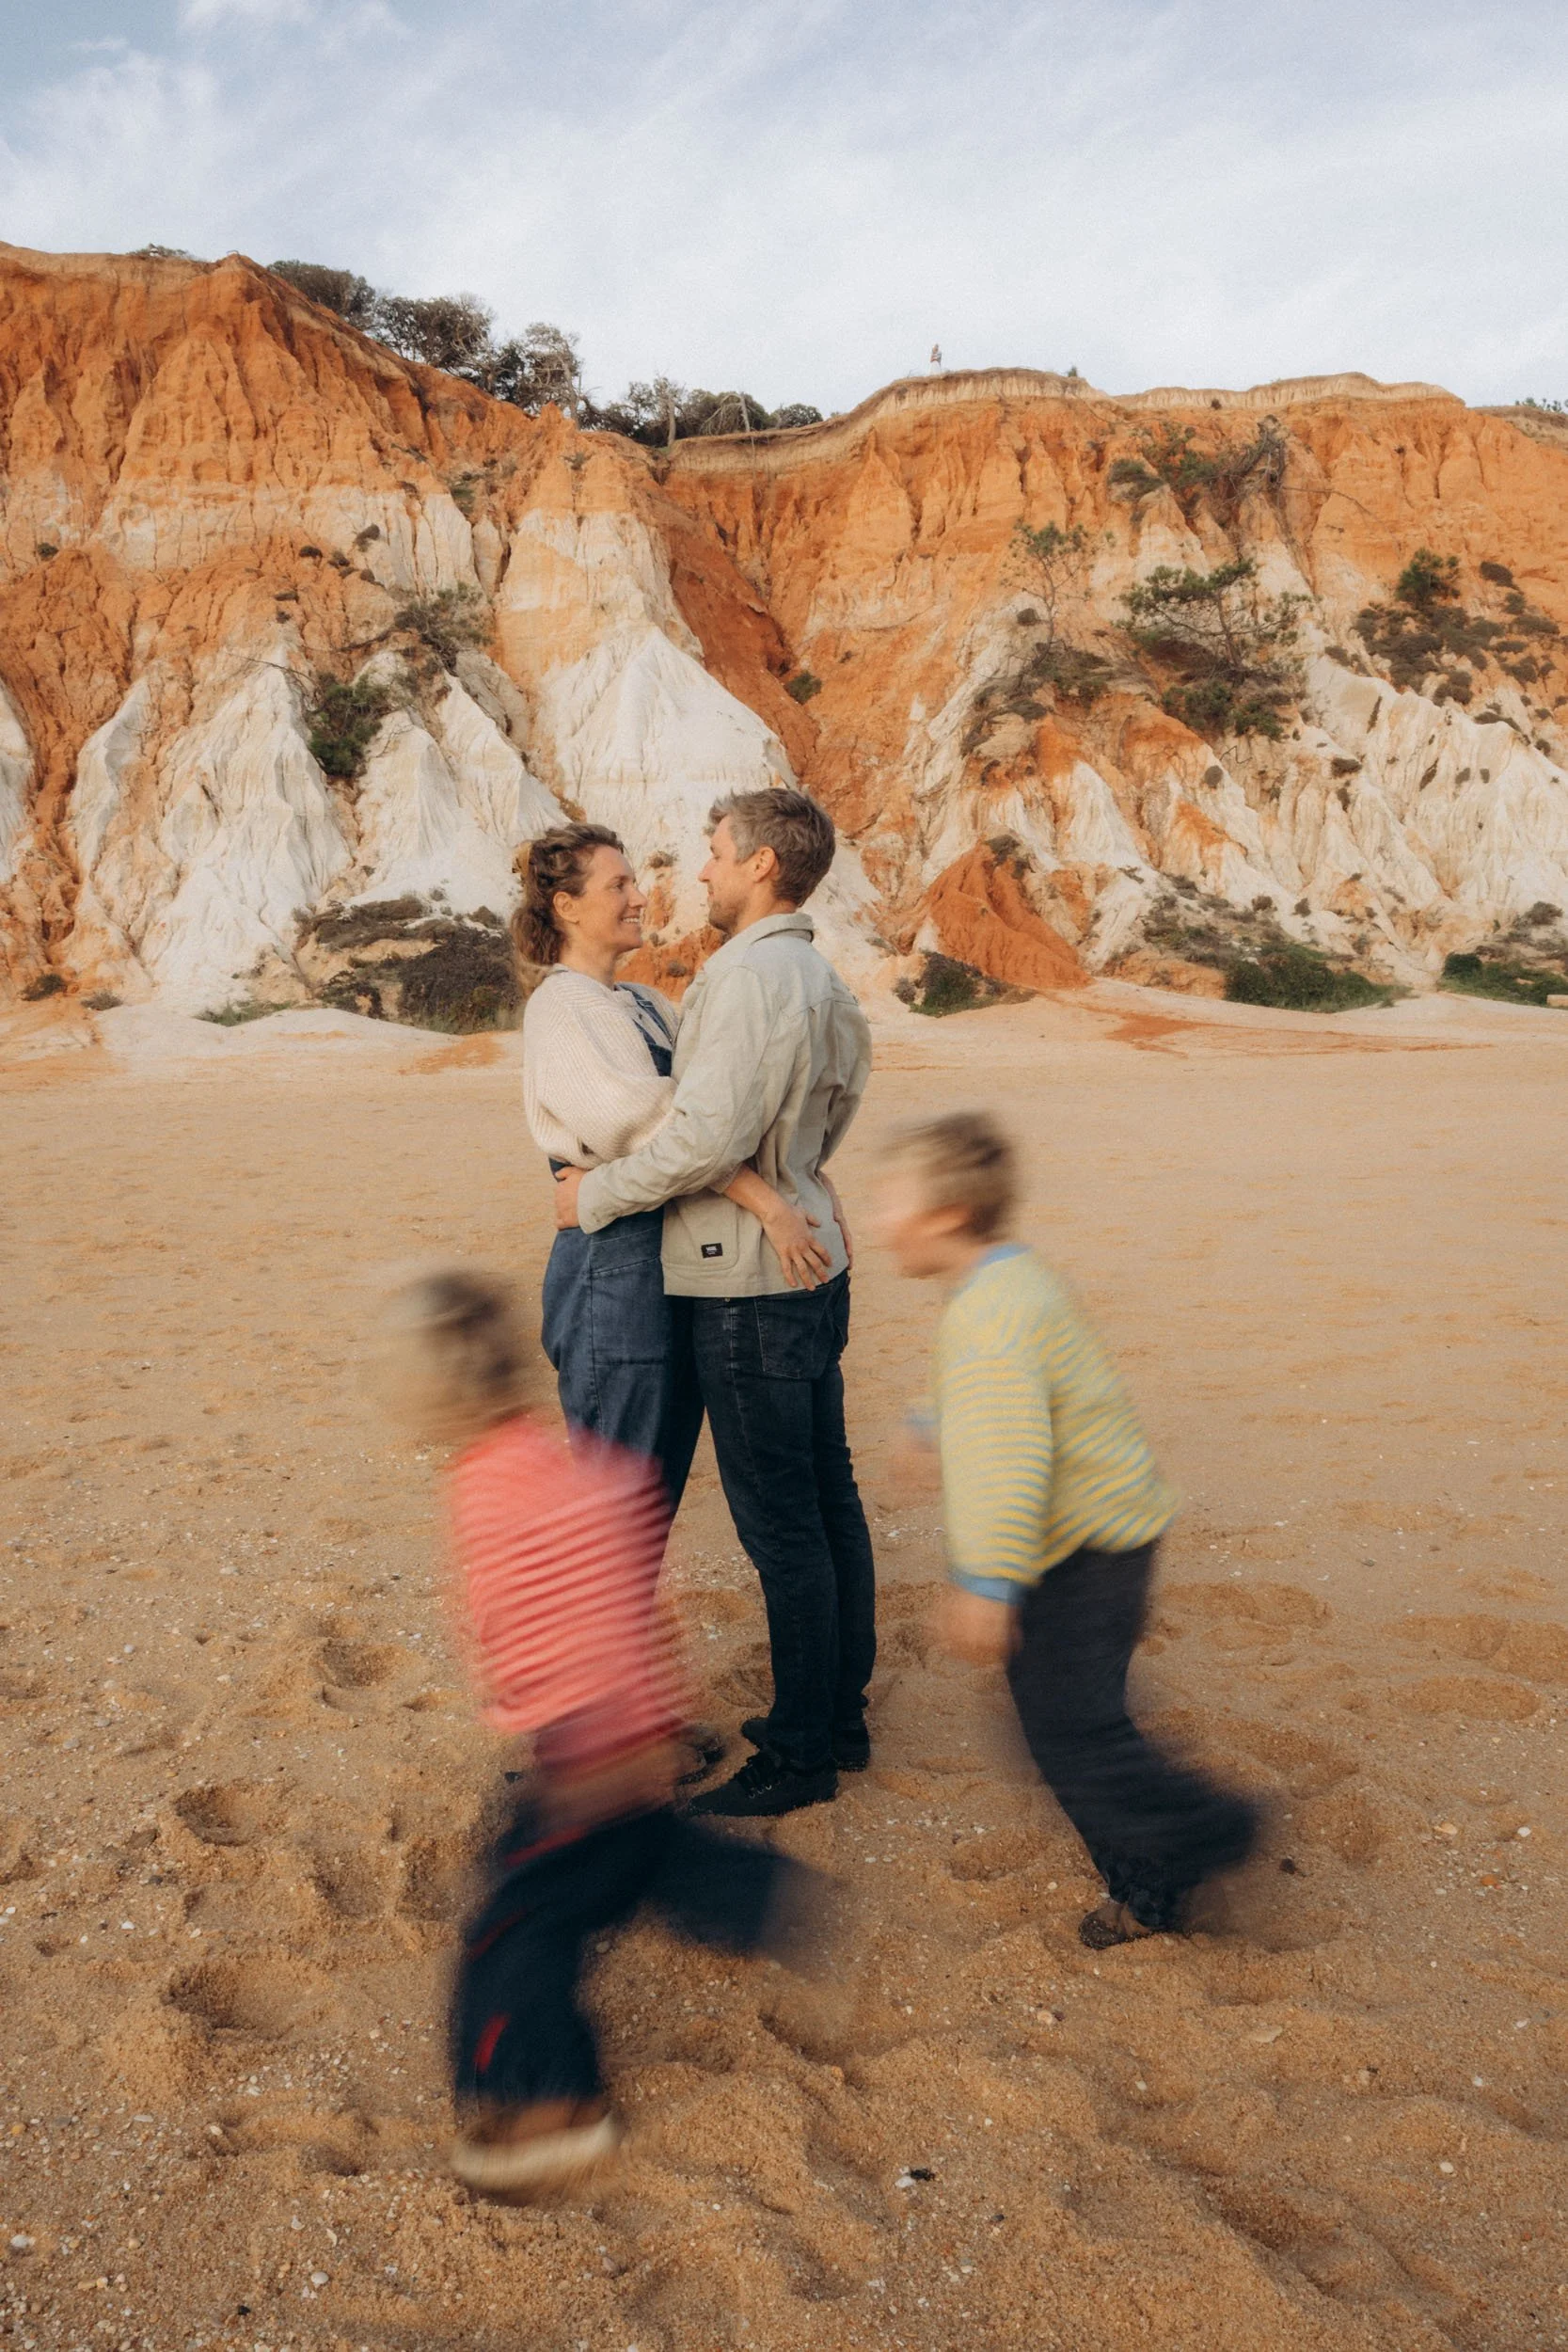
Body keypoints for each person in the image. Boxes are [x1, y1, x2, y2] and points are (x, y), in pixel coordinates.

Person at [379, 1266, 832, 2196]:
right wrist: (661, 1717)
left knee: (521, 1922)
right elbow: (633, 1597)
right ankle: (767, 1898)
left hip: (582, 1740)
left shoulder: (489, 1491)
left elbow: (540, 1619)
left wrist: (581, 1738)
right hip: (632, 1721)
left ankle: (554, 2107)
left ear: (426, 1399)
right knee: (642, 1853)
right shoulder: (574, 1462)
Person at [553, 789, 876, 1819]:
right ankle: (838, 1719)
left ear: (763, 867)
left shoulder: (741, 978)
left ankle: (798, 1754)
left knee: (780, 1527)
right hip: (811, 1253)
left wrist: (589, 1197)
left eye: (715, 853)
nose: (700, 871)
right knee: (829, 1499)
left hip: (739, 1278)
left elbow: (696, 1139)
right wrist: (801, 1182)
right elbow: (843, 1097)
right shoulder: (818, 973)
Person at [872, 1109, 1259, 1949]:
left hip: (1082, 1552)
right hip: (1102, 1535)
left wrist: (983, 1583)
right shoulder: (1008, 1282)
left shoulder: (987, 1318)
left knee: (1070, 1733)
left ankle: (1205, 1832)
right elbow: (1001, 1384)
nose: (877, 1220)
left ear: (945, 1217)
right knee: (1071, 1719)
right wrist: (929, 1417)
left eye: (890, 1201)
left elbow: (1008, 1462)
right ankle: (1156, 1877)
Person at [517, 822, 832, 1513]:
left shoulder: (642, 1005)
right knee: (616, 1501)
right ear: (567, 906)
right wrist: (767, 1204)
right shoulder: (560, 1004)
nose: (639, 896)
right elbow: (654, 1123)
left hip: (667, 1251)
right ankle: (592, 1622)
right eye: (618, 885)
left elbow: (713, 1113)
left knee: (650, 1494)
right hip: (610, 1265)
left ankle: (615, 1621)